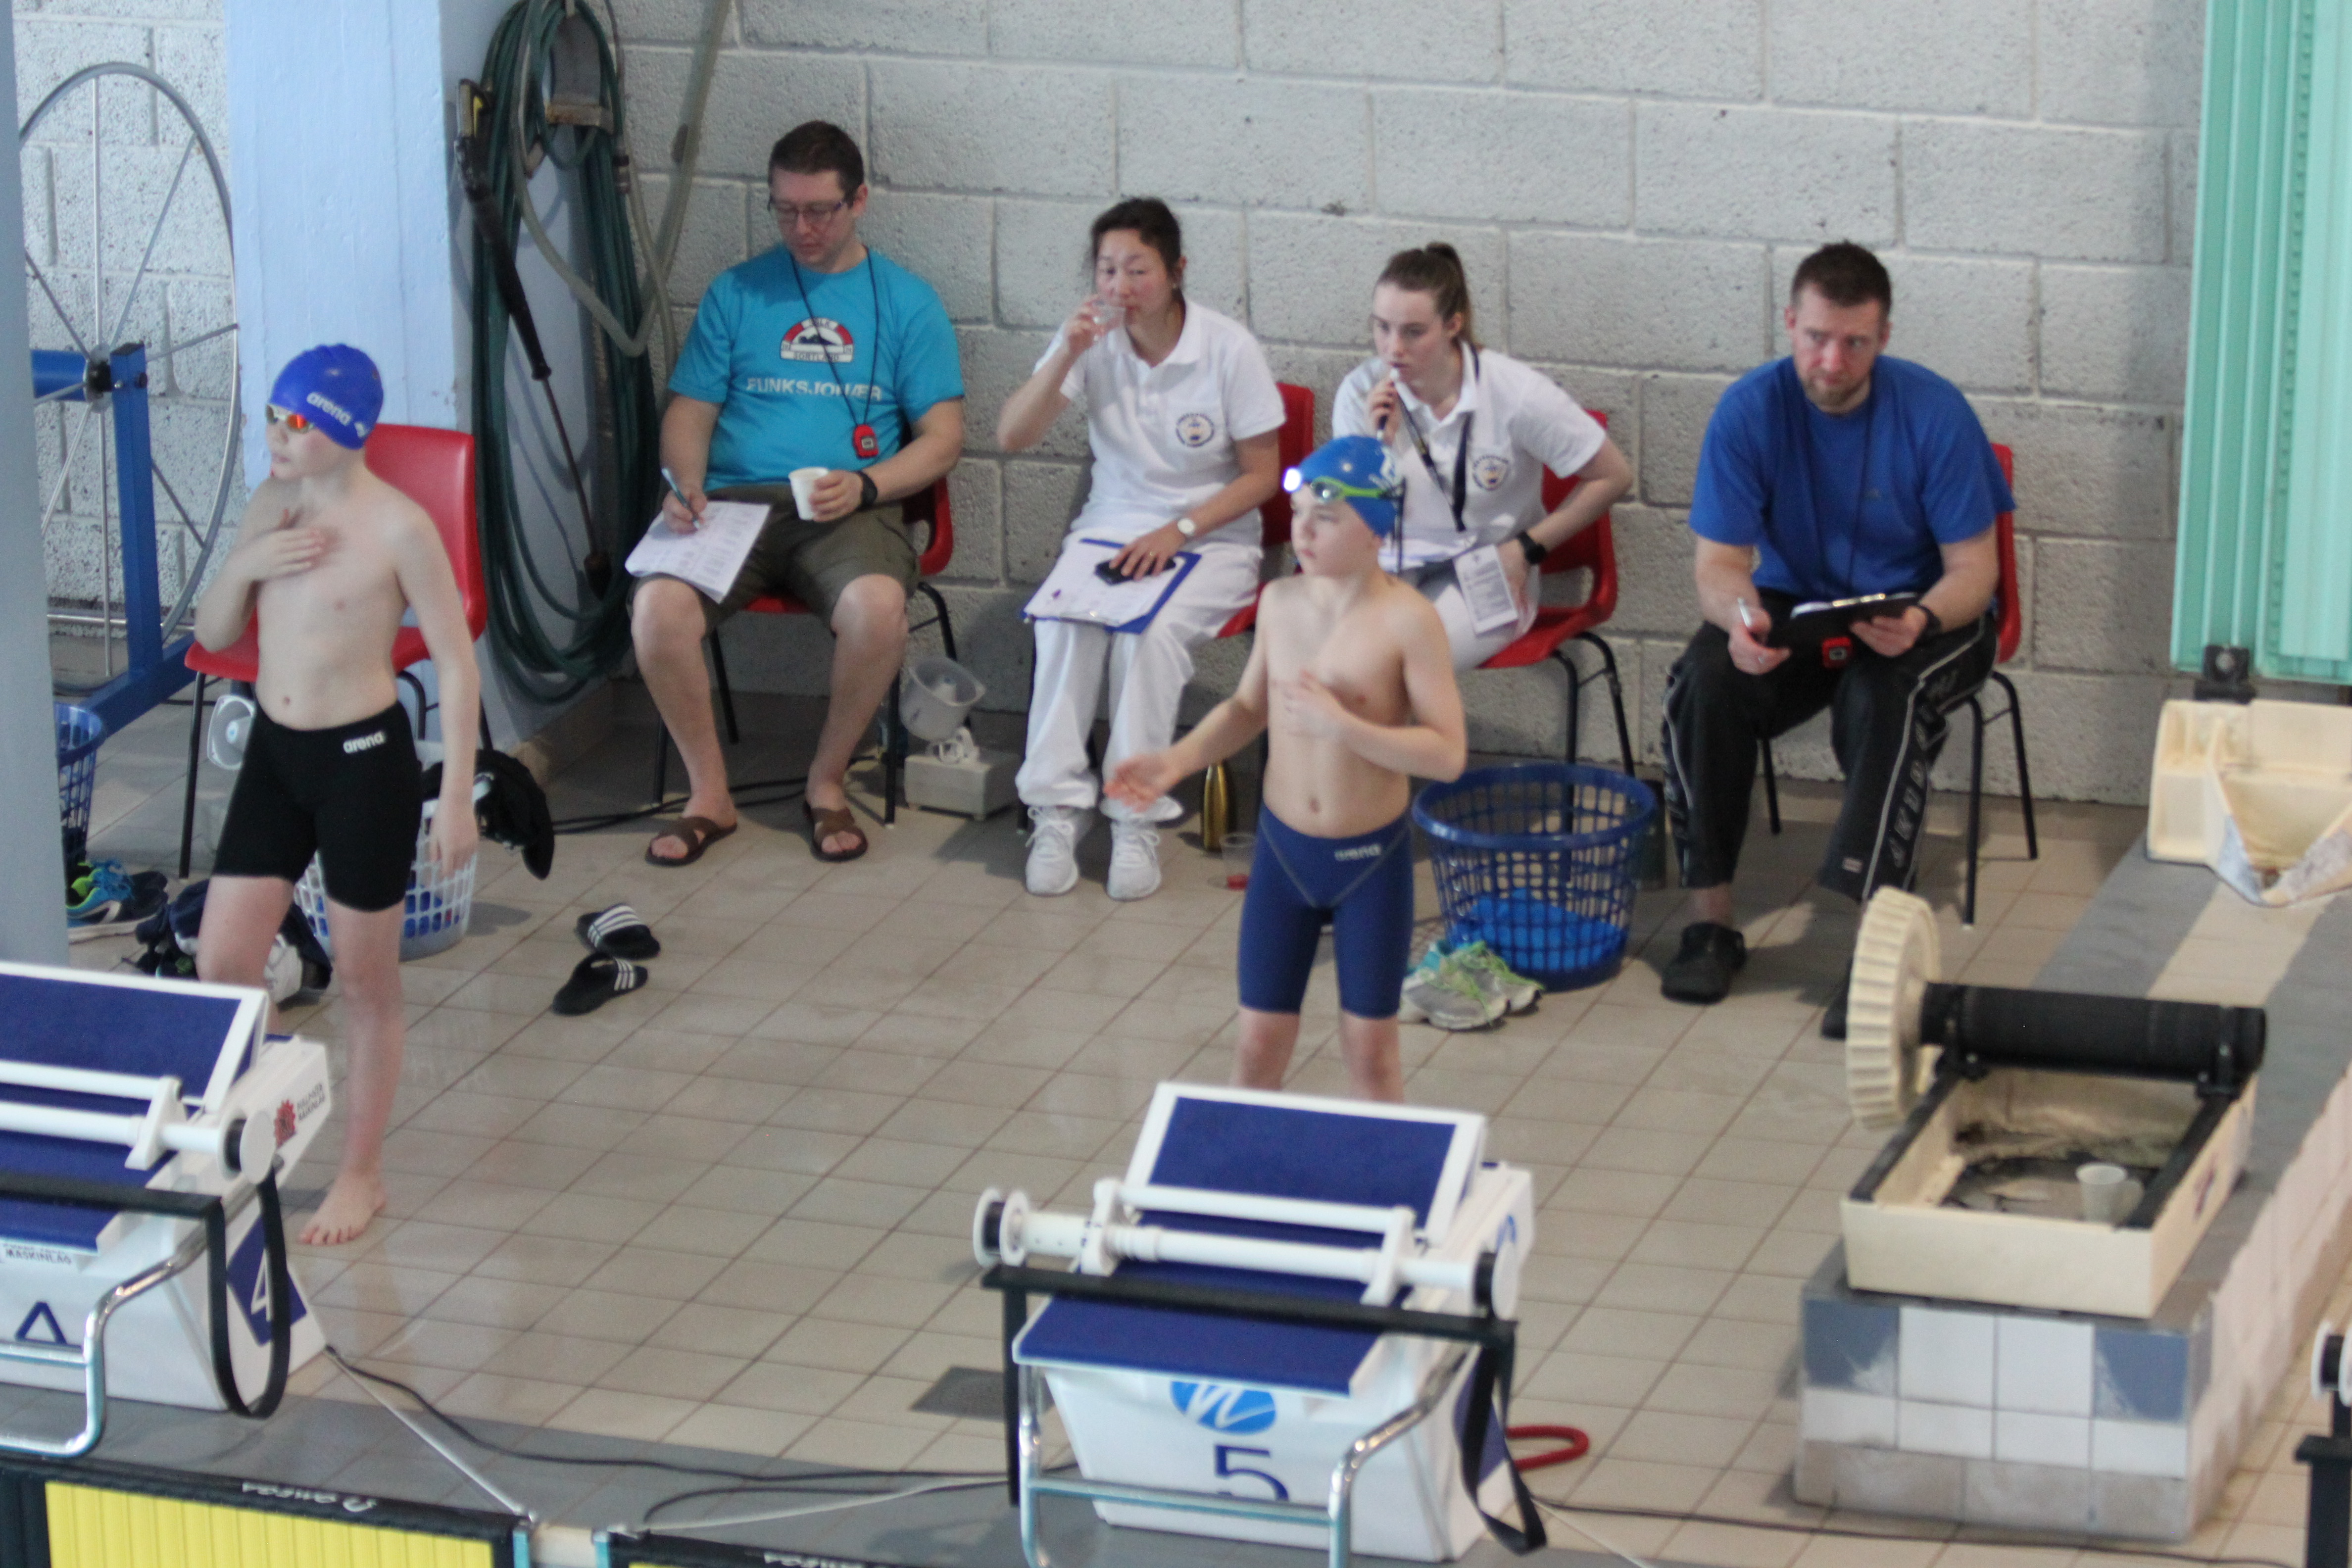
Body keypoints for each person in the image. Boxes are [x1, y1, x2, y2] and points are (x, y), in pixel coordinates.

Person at [1658, 242, 2011, 1018]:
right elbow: (1720, 565)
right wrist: (1741, 619)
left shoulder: (1936, 412)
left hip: (1928, 612)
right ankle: (1710, 927)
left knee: (1883, 697)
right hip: (1803, 606)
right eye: (1817, 337)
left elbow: (1975, 572)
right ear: (1790, 323)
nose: (1832, 361)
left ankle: (1876, 950)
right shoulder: (1750, 409)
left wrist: (1921, 617)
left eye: (1855, 342)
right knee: (1704, 680)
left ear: (1884, 337)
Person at [191, 344, 480, 1246]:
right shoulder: (267, 506)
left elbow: (456, 663)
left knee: (364, 981)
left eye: (296, 423)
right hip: (276, 757)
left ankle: (362, 1172)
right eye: (272, 419)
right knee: (223, 965)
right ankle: (279, 1121)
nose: (276, 437)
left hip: (362, 765)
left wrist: (459, 795)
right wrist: (248, 563)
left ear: (346, 432)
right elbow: (214, 632)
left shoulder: (399, 528)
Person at [637, 120, 964, 865]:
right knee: (656, 608)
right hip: (733, 503)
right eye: (785, 210)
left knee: (877, 609)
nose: (802, 229)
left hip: (847, 506)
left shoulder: (908, 303)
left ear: (860, 202)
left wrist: (870, 484)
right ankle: (708, 796)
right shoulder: (737, 293)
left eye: (819, 210)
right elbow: (689, 412)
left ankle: (826, 781)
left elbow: (943, 439)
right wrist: (684, 483)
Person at [1108, 437, 1467, 1101]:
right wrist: (1175, 760)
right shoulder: (1279, 602)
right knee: (1256, 1047)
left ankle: (1385, 1169)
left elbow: (1448, 755)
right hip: (1284, 854)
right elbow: (1249, 708)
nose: (1303, 531)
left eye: (1325, 519)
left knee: (1371, 1055)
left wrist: (1346, 727)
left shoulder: (1409, 621)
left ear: (1376, 531)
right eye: (1299, 514)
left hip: (1370, 862)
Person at [997, 198, 1285, 900]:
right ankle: (1056, 810)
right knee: (1063, 622)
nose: (1120, 286)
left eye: (1138, 270)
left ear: (1176, 270)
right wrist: (1067, 352)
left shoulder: (1227, 348)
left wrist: (1179, 531)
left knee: (1147, 636)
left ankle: (1134, 814)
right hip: (1110, 526)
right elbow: (1011, 436)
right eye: (1107, 270)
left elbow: (1262, 476)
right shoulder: (1091, 337)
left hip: (1209, 537)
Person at [1331, 244, 1632, 669]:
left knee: (1401, 661)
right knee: (1340, 658)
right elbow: (1351, 517)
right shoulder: (1362, 392)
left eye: (1414, 332)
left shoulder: (1513, 391)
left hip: (1491, 565)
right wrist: (1376, 446)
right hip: (1394, 559)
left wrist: (1525, 550)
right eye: (1382, 327)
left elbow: (1613, 475)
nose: (1393, 348)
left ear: (1453, 325)